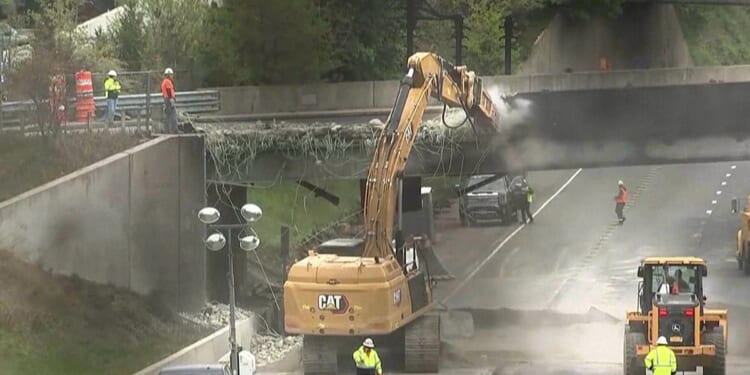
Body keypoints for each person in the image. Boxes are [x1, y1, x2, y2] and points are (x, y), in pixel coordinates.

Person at [161, 67, 178, 133]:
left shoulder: (164, 82)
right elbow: (169, 91)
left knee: (168, 115)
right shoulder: (168, 81)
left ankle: (167, 130)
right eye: (171, 74)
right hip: (169, 99)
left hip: (166, 99)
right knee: (173, 114)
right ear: (168, 75)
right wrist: (172, 99)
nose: (172, 76)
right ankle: (175, 129)